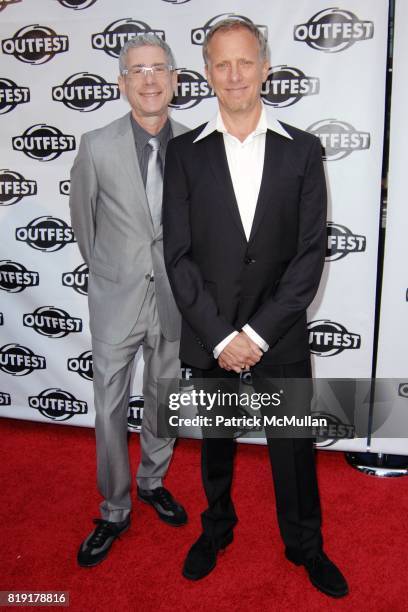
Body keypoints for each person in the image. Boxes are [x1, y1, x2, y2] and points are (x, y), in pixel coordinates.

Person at [163, 19, 348, 598]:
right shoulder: (184, 154)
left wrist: (259, 334)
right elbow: (179, 256)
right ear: (208, 73)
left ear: (266, 67)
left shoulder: (303, 150)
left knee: (292, 449)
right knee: (215, 443)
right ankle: (216, 529)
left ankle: (306, 545)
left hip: (280, 332)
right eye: (222, 64)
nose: (235, 75)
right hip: (210, 332)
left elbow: (308, 255)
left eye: (246, 62)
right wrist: (222, 338)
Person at [69, 34, 189, 568]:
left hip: (173, 300)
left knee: (164, 398)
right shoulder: (95, 145)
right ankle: (114, 508)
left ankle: (152, 482)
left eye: (158, 68)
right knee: (110, 408)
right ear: (122, 83)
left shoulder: (195, 144)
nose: (148, 79)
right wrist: (112, 275)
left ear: (175, 80)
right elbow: (84, 225)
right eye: (137, 70)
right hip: (116, 299)